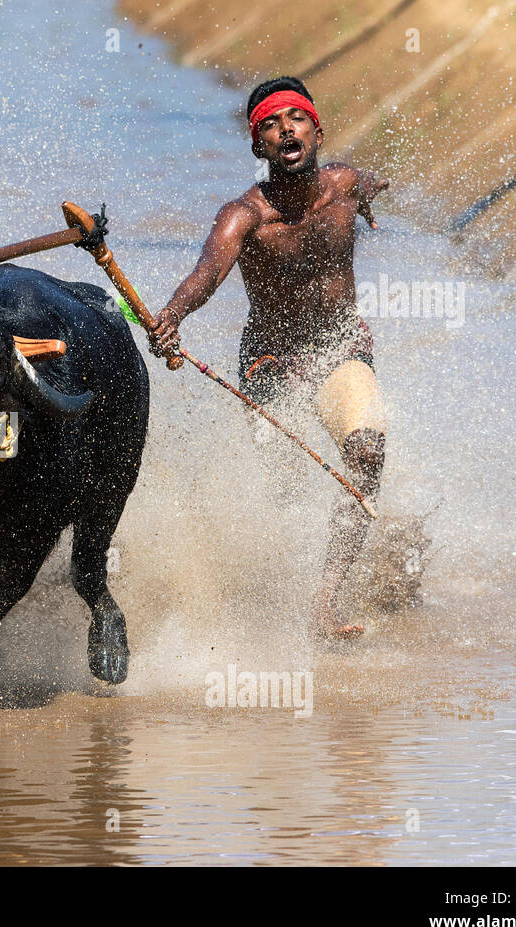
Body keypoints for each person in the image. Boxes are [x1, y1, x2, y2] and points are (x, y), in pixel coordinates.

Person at [149, 75, 390, 639]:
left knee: (367, 450)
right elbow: (205, 276)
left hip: (340, 347)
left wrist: (373, 200)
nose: (286, 128)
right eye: (270, 125)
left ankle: (326, 599)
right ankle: (269, 583)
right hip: (270, 360)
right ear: (259, 146)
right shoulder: (243, 217)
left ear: (317, 131)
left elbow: (370, 184)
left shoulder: (345, 185)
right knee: (286, 483)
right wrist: (172, 316)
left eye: (296, 119)